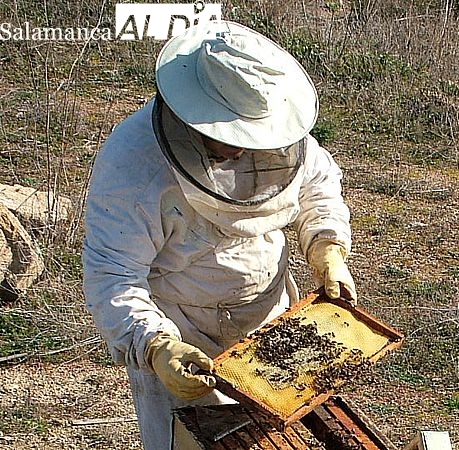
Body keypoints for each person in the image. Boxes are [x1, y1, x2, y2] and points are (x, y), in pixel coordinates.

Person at [82, 20, 356, 449]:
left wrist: (327, 248)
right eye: (231, 135)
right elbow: (113, 277)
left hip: (272, 319)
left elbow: (317, 185)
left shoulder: (277, 134)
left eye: (252, 135)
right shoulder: (132, 167)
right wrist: (156, 345)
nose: (244, 149)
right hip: (183, 329)